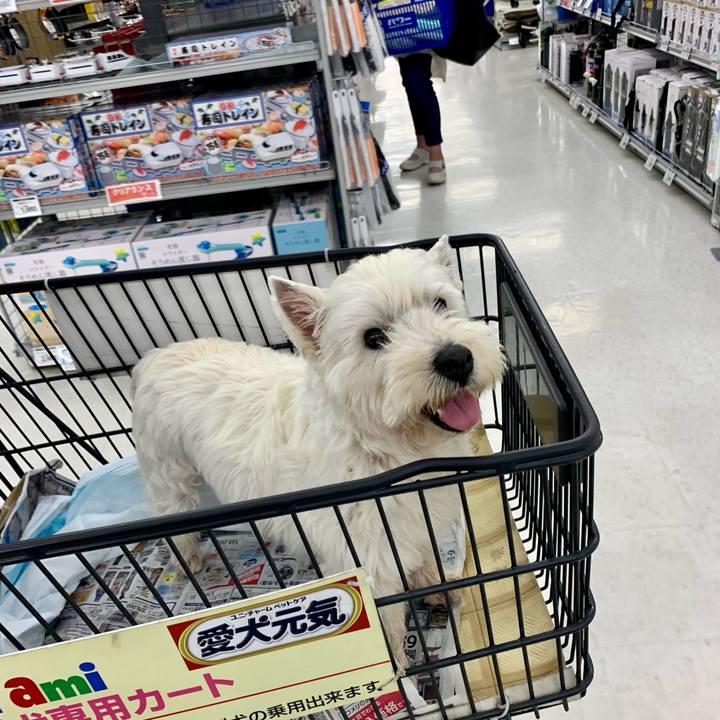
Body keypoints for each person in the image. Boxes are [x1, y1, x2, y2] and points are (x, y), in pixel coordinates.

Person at [397, 52, 446, 185]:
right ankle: (422, 146)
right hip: (402, 41)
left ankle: (436, 152)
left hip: (424, 41)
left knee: (417, 81)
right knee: (409, 81)